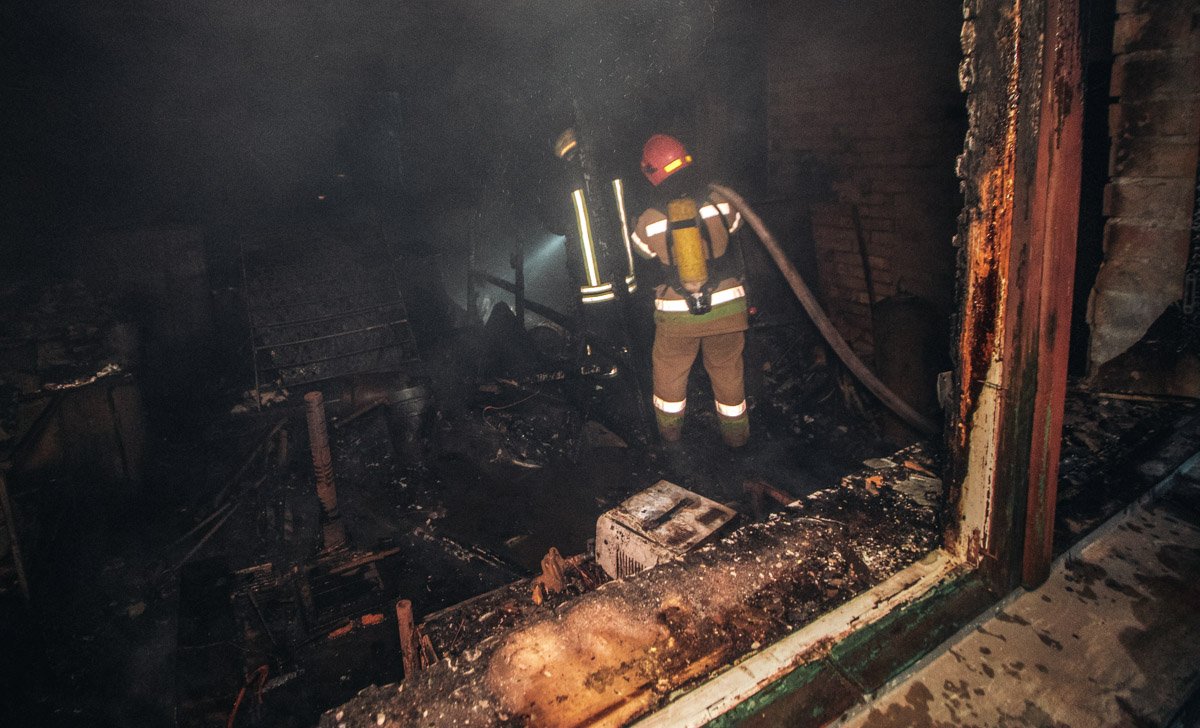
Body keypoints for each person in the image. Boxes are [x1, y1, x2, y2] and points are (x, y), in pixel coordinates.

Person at [631, 134, 750, 447]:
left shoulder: (649, 218)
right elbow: (736, 226)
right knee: (727, 370)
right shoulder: (720, 199)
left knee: (669, 373)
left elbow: (642, 251)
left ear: (650, 171)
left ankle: (671, 440)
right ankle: (737, 438)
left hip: (677, 315)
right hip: (728, 307)